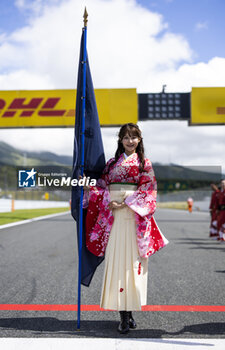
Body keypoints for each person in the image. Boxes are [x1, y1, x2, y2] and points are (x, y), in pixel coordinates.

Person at [83, 123, 168, 334]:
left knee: (132, 267)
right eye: (126, 137)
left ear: (140, 140)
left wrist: (126, 203)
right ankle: (123, 315)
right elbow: (102, 189)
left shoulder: (143, 164)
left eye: (134, 137)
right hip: (113, 220)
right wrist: (90, 188)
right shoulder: (111, 164)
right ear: (120, 140)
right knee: (116, 265)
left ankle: (129, 312)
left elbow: (149, 192)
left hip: (133, 220)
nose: (130, 141)